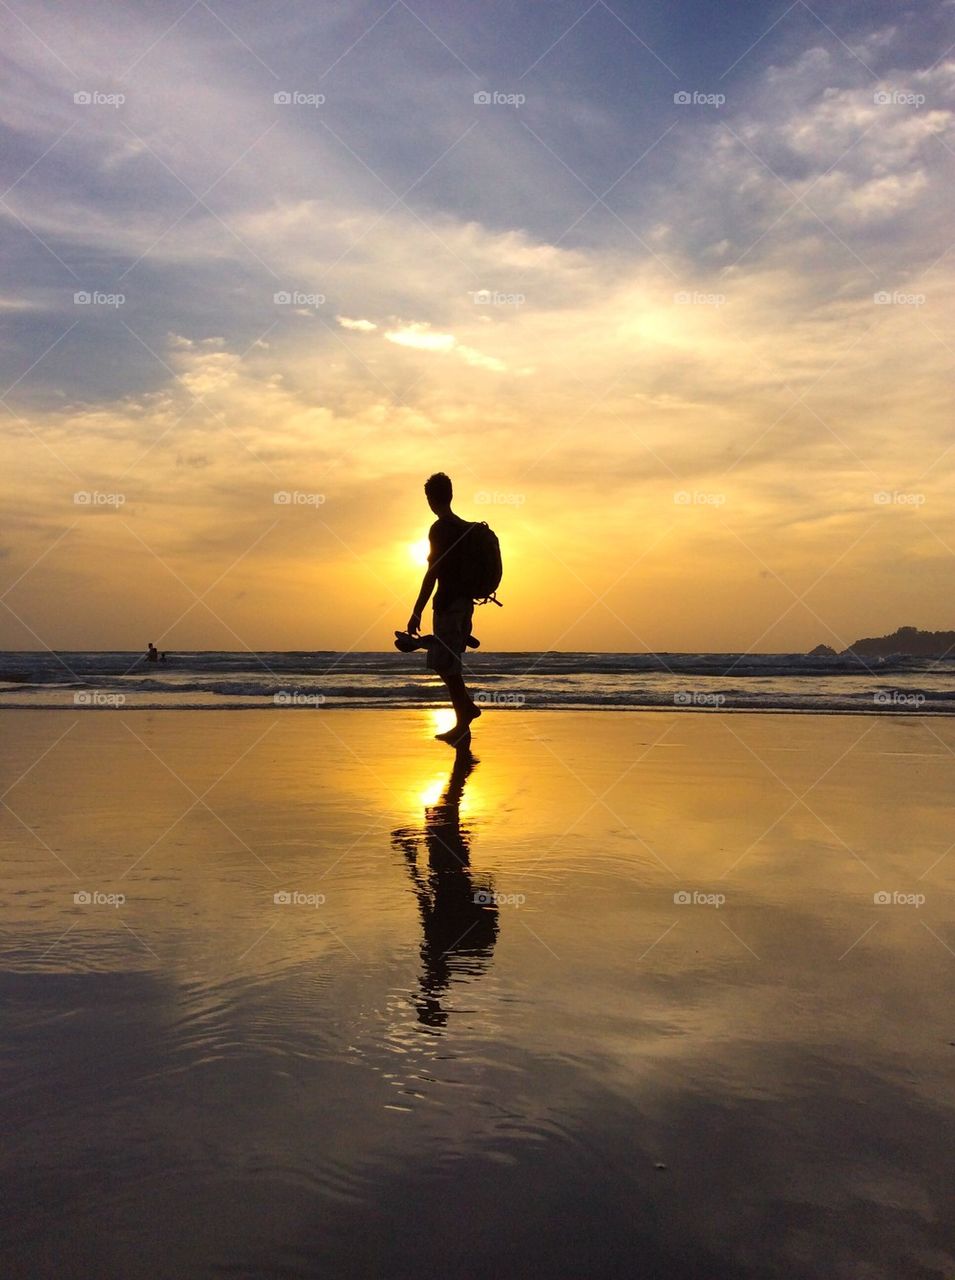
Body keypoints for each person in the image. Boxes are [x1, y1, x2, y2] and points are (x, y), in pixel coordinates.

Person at [407, 472, 482, 745]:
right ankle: (463, 727)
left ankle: (466, 711)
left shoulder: (440, 529)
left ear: (431, 499)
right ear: (450, 495)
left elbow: (432, 572)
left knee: (445, 663)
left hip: (448, 605)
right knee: (450, 663)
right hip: (465, 606)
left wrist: (417, 610)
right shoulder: (465, 527)